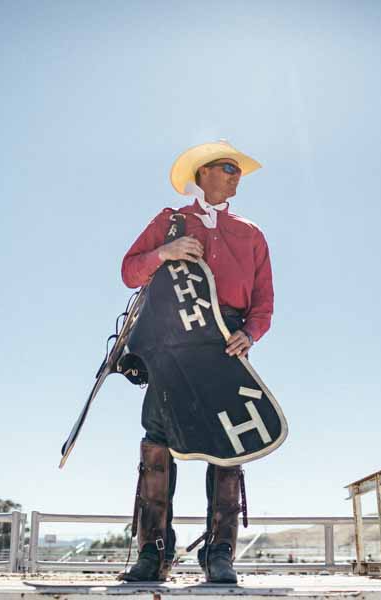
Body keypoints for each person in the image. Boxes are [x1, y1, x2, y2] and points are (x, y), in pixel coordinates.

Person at [119, 141, 274, 583]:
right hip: (172, 341)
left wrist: (250, 333)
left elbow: (264, 301)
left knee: (229, 443)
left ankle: (220, 552)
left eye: (238, 169)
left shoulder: (252, 233)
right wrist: (163, 253)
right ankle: (154, 551)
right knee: (157, 440)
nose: (236, 175)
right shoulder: (171, 222)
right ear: (203, 172)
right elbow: (130, 271)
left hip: (225, 343)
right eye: (228, 167)